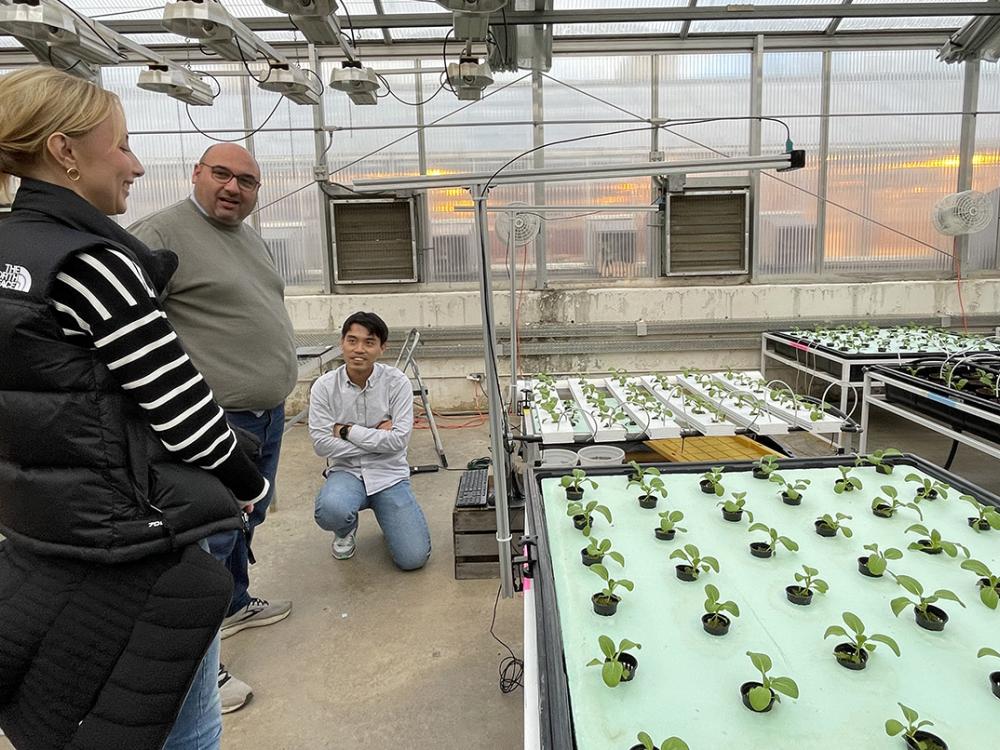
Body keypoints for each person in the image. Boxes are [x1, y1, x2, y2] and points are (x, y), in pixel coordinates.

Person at [0, 67, 267, 750]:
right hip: (138, 543)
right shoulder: (92, 262)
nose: (135, 164)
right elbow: (183, 413)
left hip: (49, 534)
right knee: (183, 721)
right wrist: (247, 481)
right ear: (65, 150)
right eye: (120, 145)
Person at [129, 143, 298, 712]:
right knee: (206, 540)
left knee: (246, 519)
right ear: (195, 174)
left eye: (247, 181)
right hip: (211, 422)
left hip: (266, 414)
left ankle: (234, 606)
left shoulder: (246, 236)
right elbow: (131, 340)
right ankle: (200, 672)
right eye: (222, 174)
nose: (234, 188)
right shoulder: (159, 236)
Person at [311, 312, 432, 570]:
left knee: (413, 559)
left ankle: (389, 516)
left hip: (389, 475)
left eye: (369, 342)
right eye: (352, 340)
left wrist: (346, 430)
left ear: (381, 348)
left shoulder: (396, 382)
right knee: (331, 510)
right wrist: (378, 436)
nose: (359, 349)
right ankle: (345, 529)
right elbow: (321, 444)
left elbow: (399, 440)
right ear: (342, 342)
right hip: (346, 472)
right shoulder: (324, 386)